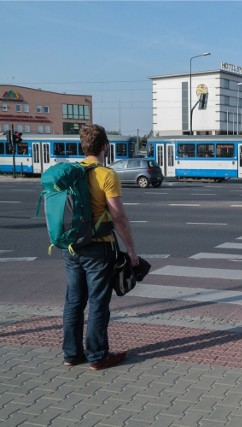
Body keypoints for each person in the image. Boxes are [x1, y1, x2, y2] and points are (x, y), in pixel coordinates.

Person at [61, 124, 139, 370]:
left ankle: (71, 354)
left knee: (74, 301)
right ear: (105, 146)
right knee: (97, 303)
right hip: (98, 248)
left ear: (83, 147)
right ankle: (98, 356)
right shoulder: (106, 175)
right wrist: (132, 251)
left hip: (71, 247)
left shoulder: (71, 172)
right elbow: (119, 218)